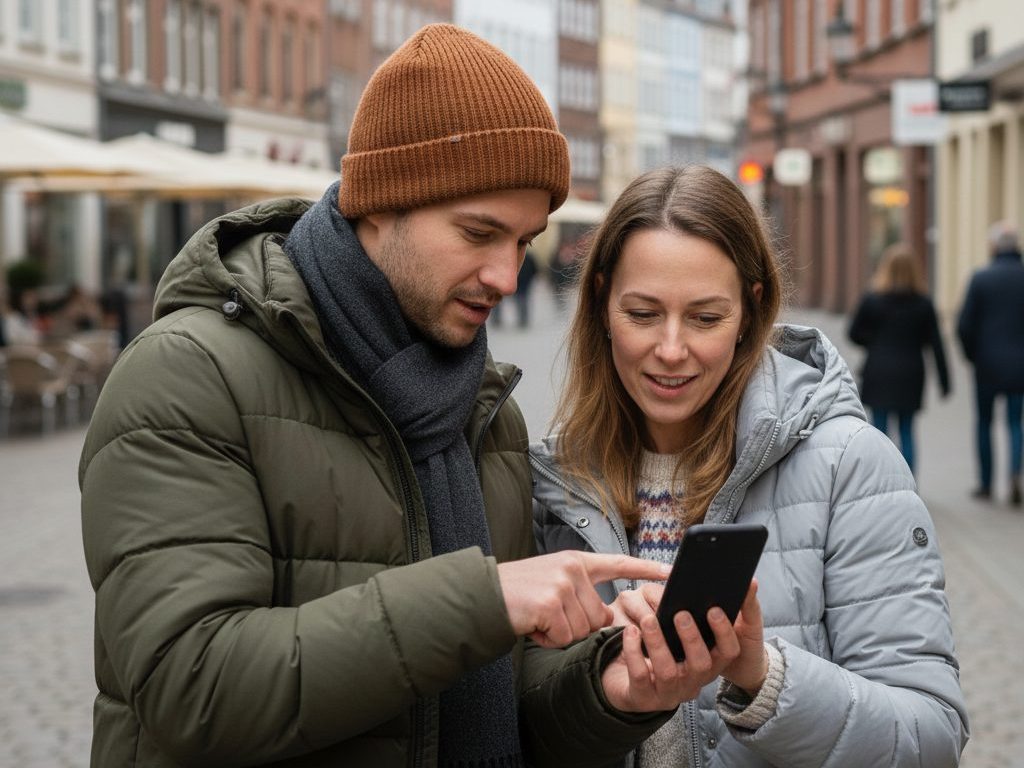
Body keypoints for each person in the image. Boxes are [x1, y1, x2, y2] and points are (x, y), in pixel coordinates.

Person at [78, 26, 743, 768]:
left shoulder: (485, 408)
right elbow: (189, 688)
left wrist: (611, 692)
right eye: (479, 232)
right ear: (380, 202)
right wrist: (481, 600)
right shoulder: (188, 375)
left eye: (524, 242)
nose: (506, 275)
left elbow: (500, 693)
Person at [531, 166, 969, 766]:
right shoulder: (553, 483)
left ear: (750, 310)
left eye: (706, 318)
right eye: (643, 313)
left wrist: (763, 677)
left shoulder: (848, 468)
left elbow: (931, 737)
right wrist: (606, 691)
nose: (671, 349)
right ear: (602, 300)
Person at [847, 243, 950, 474]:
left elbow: (853, 333)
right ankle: (909, 485)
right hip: (911, 373)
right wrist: (945, 381)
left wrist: (874, 340)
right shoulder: (924, 304)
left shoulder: (873, 300)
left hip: (879, 371)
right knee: (907, 430)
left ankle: (878, 481)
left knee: (879, 430)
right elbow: (936, 343)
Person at [957, 221, 1024, 506]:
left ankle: (986, 484)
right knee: (1014, 422)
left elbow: (964, 325)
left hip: (986, 365)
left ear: (994, 247)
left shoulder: (981, 278)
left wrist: (973, 355)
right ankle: (1014, 475)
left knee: (985, 422)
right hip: (1020, 365)